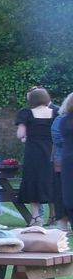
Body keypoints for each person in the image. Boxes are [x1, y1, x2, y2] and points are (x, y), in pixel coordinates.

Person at [14, 87, 57, 226]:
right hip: (52, 151)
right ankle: (54, 215)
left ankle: (36, 216)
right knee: (52, 180)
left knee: (34, 180)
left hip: (34, 152)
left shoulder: (26, 113)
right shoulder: (56, 112)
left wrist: (27, 135)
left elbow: (20, 134)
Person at [55, 93, 73, 230]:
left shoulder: (63, 121)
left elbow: (58, 139)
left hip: (68, 160)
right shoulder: (64, 121)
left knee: (69, 196)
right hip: (68, 160)